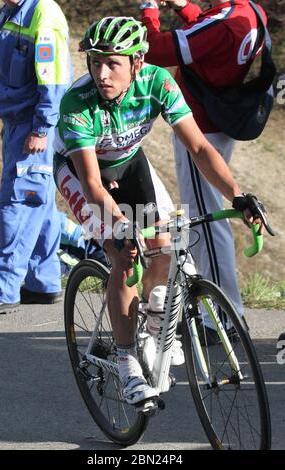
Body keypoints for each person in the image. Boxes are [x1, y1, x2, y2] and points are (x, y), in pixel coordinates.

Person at [54, 16, 266, 406]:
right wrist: (120, 225)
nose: (102, 73)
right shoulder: (77, 103)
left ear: (137, 63)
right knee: (124, 252)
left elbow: (201, 149)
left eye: (113, 63)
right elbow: (93, 185)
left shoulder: (158, 83)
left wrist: (238, 196)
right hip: (83, 171)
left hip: (129, 162)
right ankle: (127, 362)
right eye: (95, 62)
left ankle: (153, 328)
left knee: (166, 244)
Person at [138, 0, 268, 340]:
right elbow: (209, 35)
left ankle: (222, 319)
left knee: (208, 224)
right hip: (218, 122)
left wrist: (149, 9)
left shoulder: (222, 24)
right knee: (210, 219)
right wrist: (185, 8)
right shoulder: (249, 10)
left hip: (201, 130)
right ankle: (224, 313)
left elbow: (157, 50)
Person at [0, 0, 71, 316]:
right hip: (18, 122)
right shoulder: (12, 11)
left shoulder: (43, 15)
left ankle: (3, 288)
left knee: (20, 203)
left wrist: (41, 127)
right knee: (41, 202)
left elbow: (53, 79)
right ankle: (42, 281)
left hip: (32, 125)